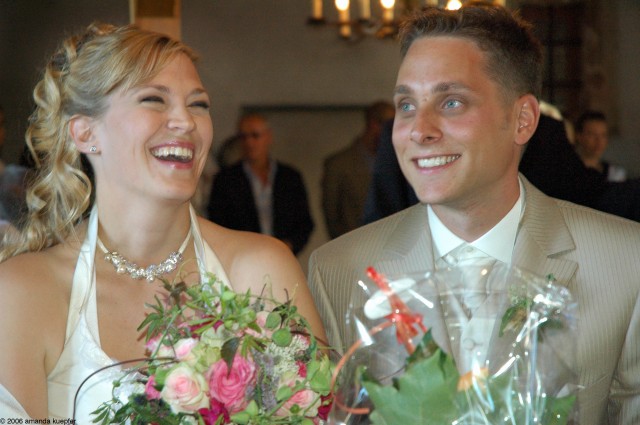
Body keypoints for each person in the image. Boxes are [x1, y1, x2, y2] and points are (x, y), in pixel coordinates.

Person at [308, 5, 640, 425]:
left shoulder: (627, 262)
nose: (419, 130)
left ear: (522, 120)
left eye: (451, 102)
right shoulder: (338, 271)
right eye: (406, 105)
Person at [0, 23, 325, 420]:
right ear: (85, 133)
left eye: (199, 105)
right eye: (154, 99)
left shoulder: (261, 270)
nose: (186, 121)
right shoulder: (23, 291)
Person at [207, 113, 314, 255]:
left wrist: (288, 245)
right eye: (243, 137)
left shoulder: (290, 177)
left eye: (255, 135)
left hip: (283, 256)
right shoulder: (226, 180)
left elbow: (304, 222)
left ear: (268, 137)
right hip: (242, 256)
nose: (249, 143)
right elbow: (217, 224)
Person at [321, 100, 394, 239]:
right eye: (391, 127)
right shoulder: (339, 165)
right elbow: (332, 217)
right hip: (353, 245)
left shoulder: (395, 162)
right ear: (374, 125)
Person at [574, 110, 627, 182]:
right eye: (592, 135)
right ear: (579, 137)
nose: (599, 141)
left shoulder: (615, 174)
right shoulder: (568, 170)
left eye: (603, 135)